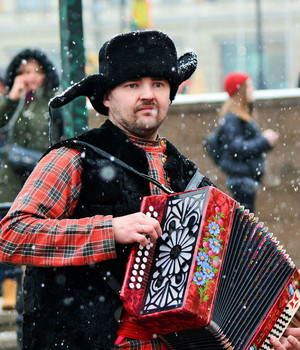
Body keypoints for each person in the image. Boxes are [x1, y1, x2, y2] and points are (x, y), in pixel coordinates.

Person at [0, 31, 298, 350]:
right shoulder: (74, 158)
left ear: (170, 94)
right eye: (132, 85)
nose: (148, 94)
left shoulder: (186, 175)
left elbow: (227, 272)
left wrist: (268, 331)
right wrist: (109, 230)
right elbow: (12, 234)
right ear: (106, 98)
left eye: (158, 84)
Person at [0, 48, 63, 348]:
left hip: (40, 187)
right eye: (24, 71)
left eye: (35, 71)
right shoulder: (11, 102)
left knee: (34, 263)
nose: (30, 77)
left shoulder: (52, 101)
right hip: (9, 189)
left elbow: (50, 137)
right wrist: (12, 100)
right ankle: (13, 303)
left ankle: (29, 325)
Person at [217, 71, 279, 213]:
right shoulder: (232, 118)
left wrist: (267, 141)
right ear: (241, 91)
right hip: (241, 180)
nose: (253, 90)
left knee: (246, 223)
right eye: (250, 86)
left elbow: (247, 146)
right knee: (244, 225)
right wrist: (263, 140)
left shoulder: (244, 115)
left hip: (246, 179)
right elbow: (236, 147)